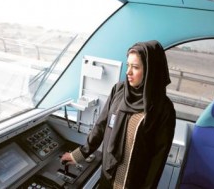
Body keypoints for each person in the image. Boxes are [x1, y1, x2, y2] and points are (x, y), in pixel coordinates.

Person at [61, 40, 176, 188]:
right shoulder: (119, 91)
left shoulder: (163, 109)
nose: (128, 72)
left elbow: (157, 160)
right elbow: (101, 126)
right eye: (128, 65)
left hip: (133, 183)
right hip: (107, 177)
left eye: (135, 67)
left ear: (150, 70)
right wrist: (78, 155)